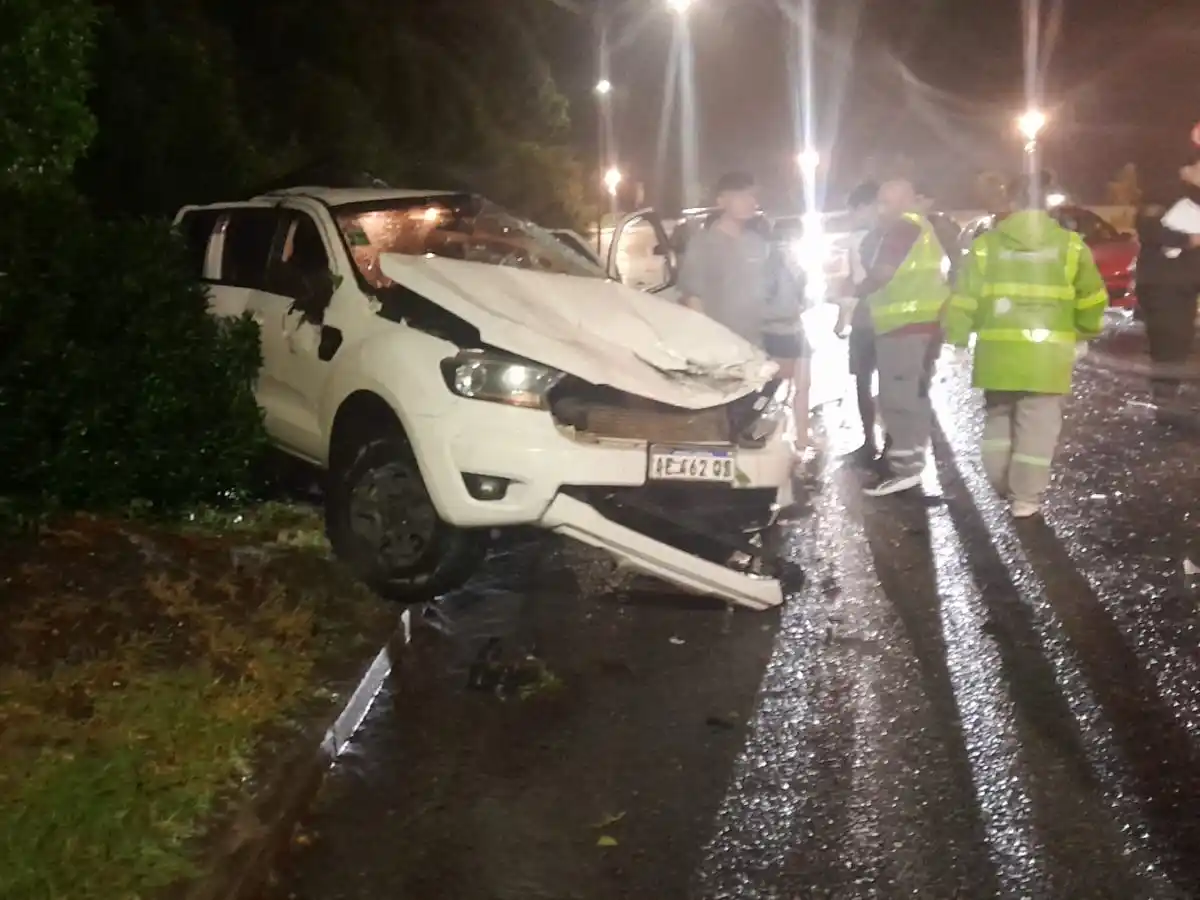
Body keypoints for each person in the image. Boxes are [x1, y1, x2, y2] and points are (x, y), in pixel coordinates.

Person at [944, 174, 1108, 518]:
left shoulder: (985, 246)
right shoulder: (1071, 246)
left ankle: (1000, 480)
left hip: (998, 356)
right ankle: (1025, 498)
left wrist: (958, 341)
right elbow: (1092, 297)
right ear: (1048, 204)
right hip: (1049, 359)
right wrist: (1084, 334)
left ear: (1013, 204)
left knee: (998, 420)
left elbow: (964, 299)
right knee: (1037, 430)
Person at [677, 171, 811, 459]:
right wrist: (705, 346)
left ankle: (744, 456)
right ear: (722, 200)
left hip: (758, 346)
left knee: (756, 406)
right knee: (720, 420)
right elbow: (693, 297)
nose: (752, 202)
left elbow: (776, 292)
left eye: (753, 195)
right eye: (743, 196)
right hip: (721, 350)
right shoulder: (704, 244)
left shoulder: (758, 243)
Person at [856, 177, 951, 496]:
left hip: (904, 327)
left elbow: (883, 273)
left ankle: (905, 469)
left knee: (898, 398)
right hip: (922, 324)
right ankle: (910, 463)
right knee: (914, 394)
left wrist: (848, 291)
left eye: (885, 202)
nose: (880, 209)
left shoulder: (902, 229)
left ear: (901, 202)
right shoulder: (921, 228)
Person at [1133, 156, 1200, 424]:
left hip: (1186, 282)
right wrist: (1188, 239)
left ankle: (1170, 398)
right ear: (1187, 168)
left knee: (1180, 340)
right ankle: (1165, 403)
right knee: (1169, 341)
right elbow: (1149, 229)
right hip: (1164, 284)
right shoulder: (1164, 193)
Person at [833, 180, 890, 466]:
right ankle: (885, 444)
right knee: (876, 380)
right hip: (880, 318)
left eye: (855, 210)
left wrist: (844, 316)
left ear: (866, 206)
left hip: (872, 318)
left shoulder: (873, 237)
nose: (853, 217)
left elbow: (857, 282)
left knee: (865, 380)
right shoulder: (892, 234)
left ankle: (872, 443)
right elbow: (851, 279)